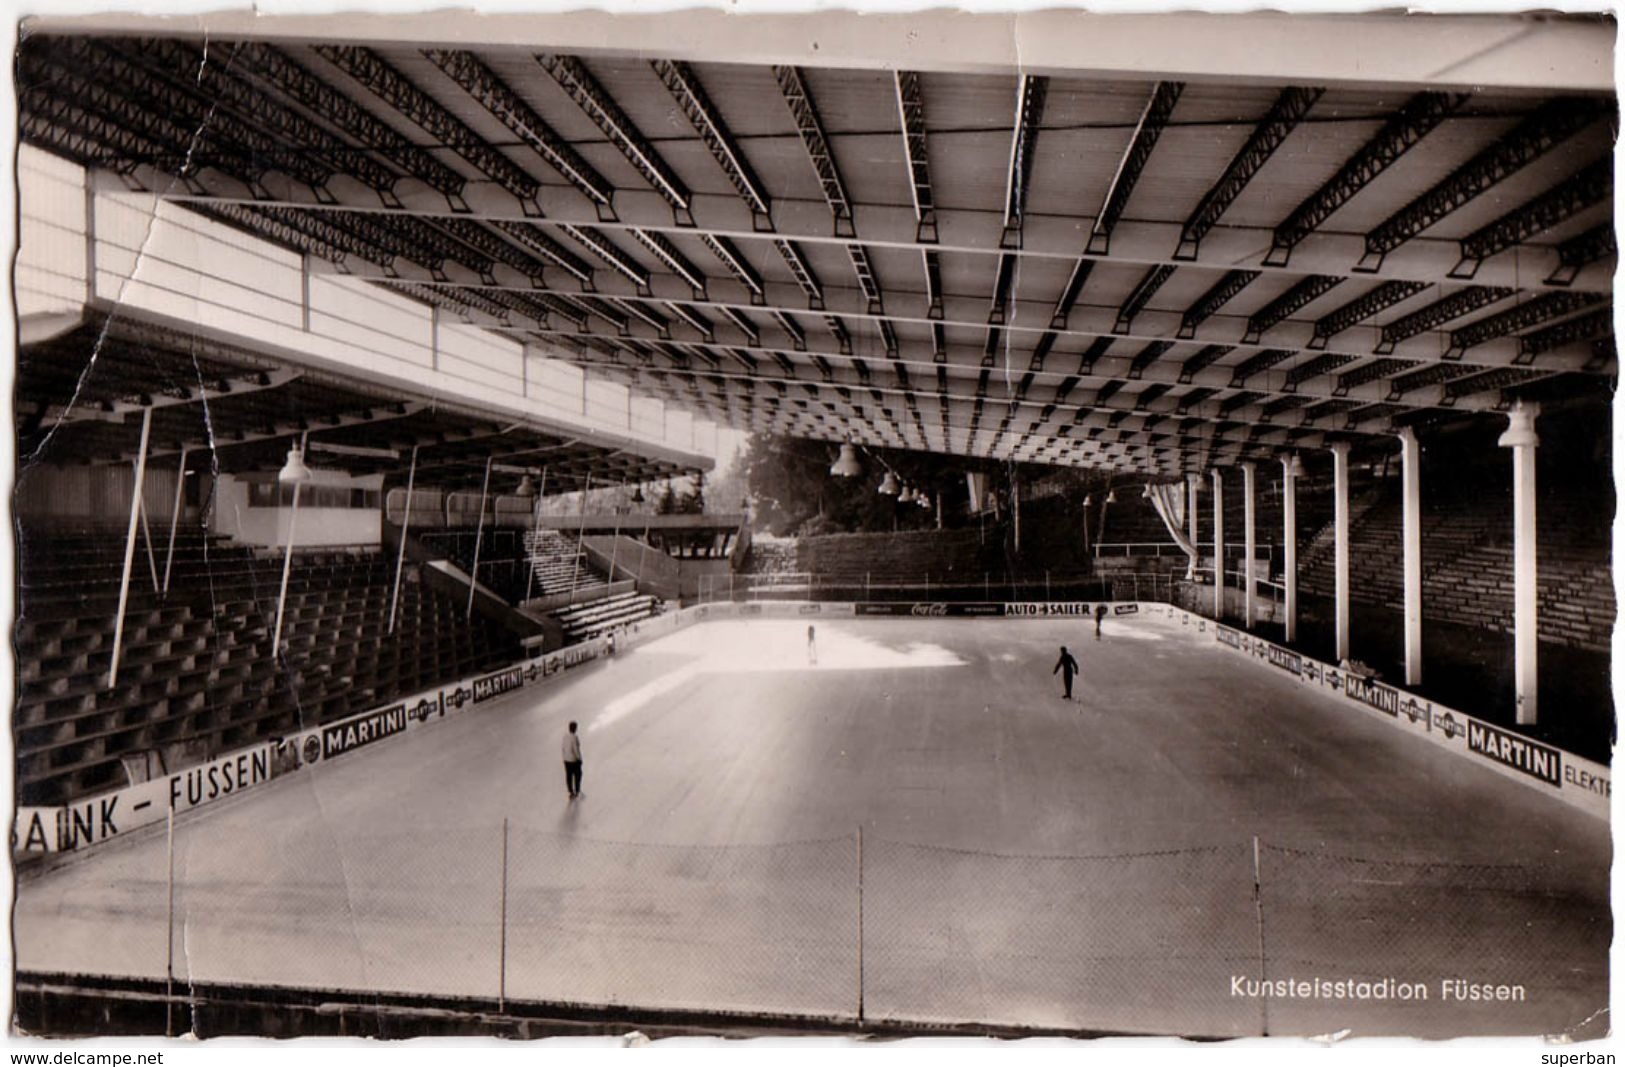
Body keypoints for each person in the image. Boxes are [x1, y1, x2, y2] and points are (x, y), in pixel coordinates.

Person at [562, 721, 583, 799]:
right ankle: (577, 790)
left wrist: (564, 757)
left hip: (566, 760)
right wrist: (580, 759)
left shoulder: (565, 736)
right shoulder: (574, 737)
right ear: (575, 728)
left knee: (569, 775)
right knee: (578, 775)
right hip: (573, 760)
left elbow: (563, 748)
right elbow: (576, 750)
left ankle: (570, 791)